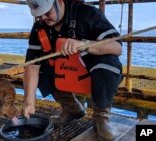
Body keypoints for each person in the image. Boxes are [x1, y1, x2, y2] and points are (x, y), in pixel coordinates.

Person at [23, 0, 123, 141]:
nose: (43, 18)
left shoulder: (88, 13)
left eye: (47, 12)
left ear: (59, 2)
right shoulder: (39, 28)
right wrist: (29, 102)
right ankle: (71, 108)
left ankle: (101, 118)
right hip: (65, 74)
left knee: (109, 63)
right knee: (39, 68)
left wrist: (84, 44)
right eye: (39, 15)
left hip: (92, 74)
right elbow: (32, 65)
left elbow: (117, 48)